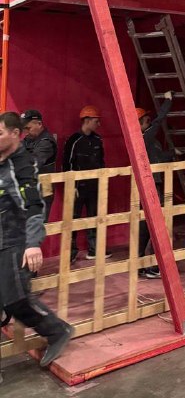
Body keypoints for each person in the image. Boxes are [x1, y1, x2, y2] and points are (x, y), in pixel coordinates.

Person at [0, 112, 73, 368]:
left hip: (15, 239)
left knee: (16, 299)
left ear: (15, 134)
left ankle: (57, 331)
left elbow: (34, 207)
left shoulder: (22, 166)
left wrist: (32, 244)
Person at [63, 106, 111, 263]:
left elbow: (101, 162)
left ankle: (94, 249)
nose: (99, 124)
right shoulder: (74, 140)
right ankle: (70, 253)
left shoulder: (98, 140)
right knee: (73, 219)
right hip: (77, 187)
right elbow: (67, 164)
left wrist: (102, 183)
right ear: (87, 120)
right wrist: (72, 186)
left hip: (94, 186)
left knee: (95, 217)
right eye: (96, 121)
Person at [137, 91, 173, 279]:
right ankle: (151, 264)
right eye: (146, 120)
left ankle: (140, 262)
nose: (149, 121)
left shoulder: (150, 141)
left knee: (145, 225)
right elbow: (159, 122)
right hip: (150, 185)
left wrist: (174, 153)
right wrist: (168, 101)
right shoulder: (143, 137)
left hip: (151, 183)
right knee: (155, 225)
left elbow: (158, 157)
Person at [21, 109, 58, 222]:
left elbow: (33, 163)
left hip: (43, 191)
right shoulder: (28, 139)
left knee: (37, 226)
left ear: (39, 124)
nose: (26, 132)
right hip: (29, 190)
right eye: (24, 129)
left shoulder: (47, 142)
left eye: (28, 128)